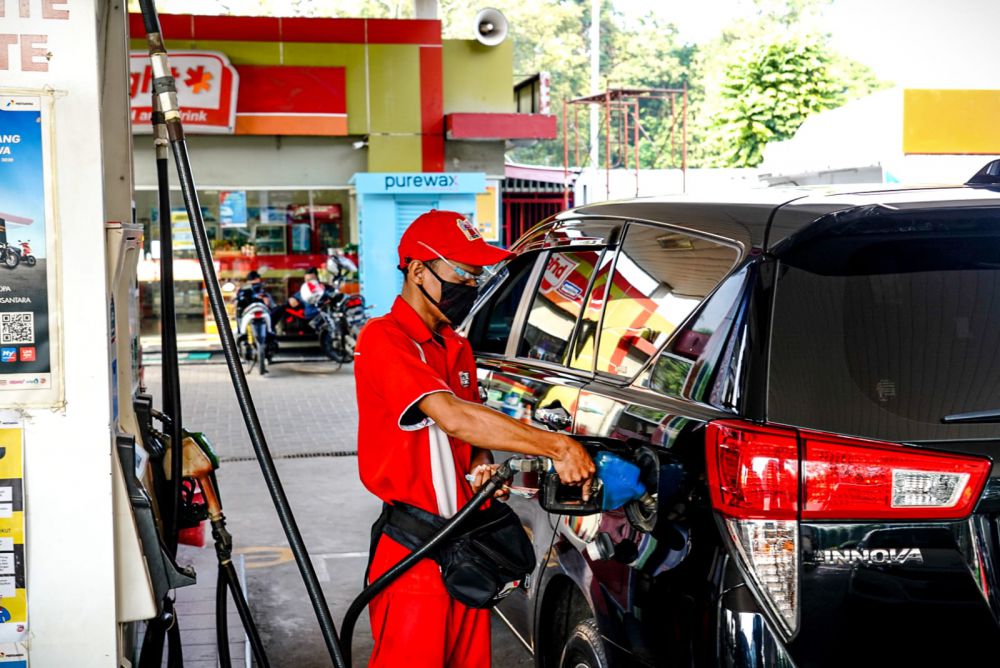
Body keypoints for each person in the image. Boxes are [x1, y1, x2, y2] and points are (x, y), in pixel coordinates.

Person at [354, 209, 596, 667]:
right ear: (419, 270)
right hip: (414, 552)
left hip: (465, 546)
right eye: (463, 272)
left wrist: (479, 465)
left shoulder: (455, 345)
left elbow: (470, 432)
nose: (472, 283)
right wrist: (557, 445)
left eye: (477, 274)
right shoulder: (385, 339)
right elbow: (453, 416)